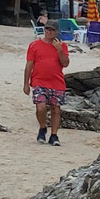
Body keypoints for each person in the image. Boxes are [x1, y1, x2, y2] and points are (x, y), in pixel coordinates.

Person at [25, 19, 70, 147]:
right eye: (47, 29)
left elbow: (65, 63)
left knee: (56, 109)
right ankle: (42, 127)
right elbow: (29, 65)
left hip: (57, 82)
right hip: (39, 81)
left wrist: (59, 50)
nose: (49, 32)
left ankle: (54, 135)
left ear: (56, 32)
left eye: (52, 30)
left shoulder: (62, 46)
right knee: (41, 107)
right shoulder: (34, 45)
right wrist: (26, 83)